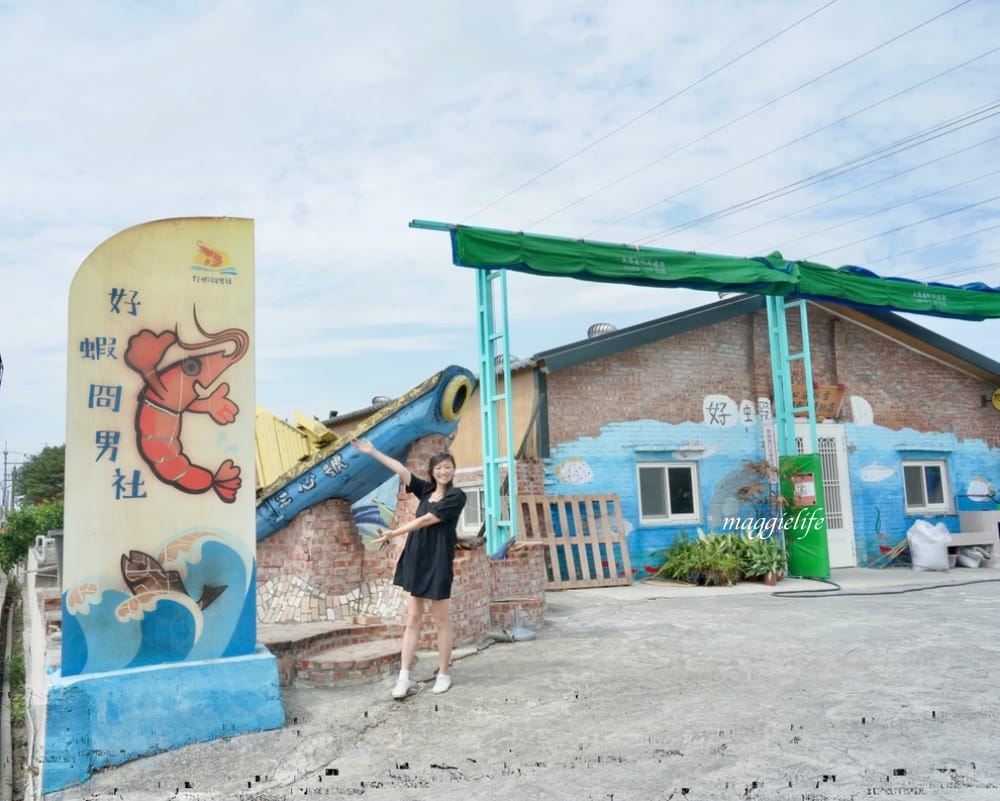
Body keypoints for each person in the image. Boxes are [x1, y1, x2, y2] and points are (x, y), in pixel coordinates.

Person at [352, 437, 467, 698]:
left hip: (438, 560)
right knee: (413, 619)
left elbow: (427, 519)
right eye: (439, 467)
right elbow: (401, 471)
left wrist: (395, 532)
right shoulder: (425, 491)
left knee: (441, 621)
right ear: (433, 471)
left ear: (453, 470)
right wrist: (373, 451)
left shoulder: (457, 496)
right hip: (416, 557)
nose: (443, 471)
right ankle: (403, 677)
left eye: (447, 467)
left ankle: (444, 673)